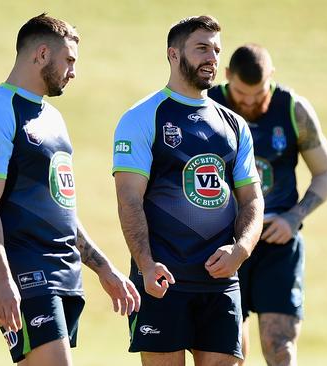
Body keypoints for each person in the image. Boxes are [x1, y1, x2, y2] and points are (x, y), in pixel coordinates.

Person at [0, 13, 140, 365]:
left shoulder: (52, 118)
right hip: (26, 271)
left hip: (65, 272)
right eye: (69, 60)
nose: (73, 71)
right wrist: (2, 279)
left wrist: (103, 268)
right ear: (42, 54)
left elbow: (59, 207)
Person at [112, 16, 264, 366]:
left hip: (220, 282)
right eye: (201, 48)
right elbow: (129, 199)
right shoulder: (142, 117)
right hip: (162, 280)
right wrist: (146, 265)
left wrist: (240, 250)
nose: (211, 57)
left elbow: (253, 199)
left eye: (216, 50)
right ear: (173, 54)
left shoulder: (234, 125)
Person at [208, 44, 327, 365]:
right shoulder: (208, 105)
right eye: (242, 93)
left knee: (279, 345)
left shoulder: (292, 109)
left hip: (277, 241)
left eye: (259, 92)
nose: (251, 102)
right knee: (227, 351)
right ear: (227, 78)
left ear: (272, 78)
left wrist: (295, 217)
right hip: (225, 242)